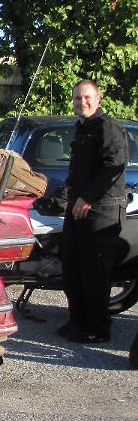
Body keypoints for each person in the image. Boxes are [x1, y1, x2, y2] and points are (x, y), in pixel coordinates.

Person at [58, 79, 128, 344]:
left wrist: (88, 197)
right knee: (72, 268)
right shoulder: (82, 128)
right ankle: (77, 322)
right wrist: (65, 196)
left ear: (98, 99)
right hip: (79, 208)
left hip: (102, 210)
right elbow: (79, 171)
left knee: (94, 274)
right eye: (77, 98)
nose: (82, 102)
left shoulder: (107, 127)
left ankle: (98, 329)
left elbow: (114, 166)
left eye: (87, 97)